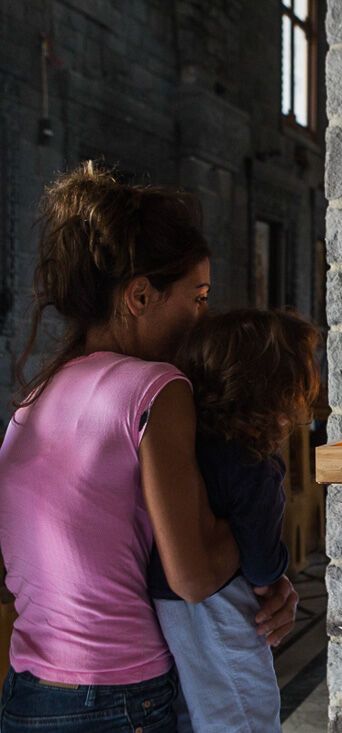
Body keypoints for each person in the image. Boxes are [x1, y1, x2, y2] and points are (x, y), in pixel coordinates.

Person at [0, 163, 297, 731]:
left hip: (28, 691)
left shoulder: (39, 395)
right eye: (198, 297)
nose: (203, 317)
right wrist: (253, 528)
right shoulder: (158, 389)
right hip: (118, 697)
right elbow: (191, 577)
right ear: (140, 295)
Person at [148, 309, 320, 731]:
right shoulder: (256, 467)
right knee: (246, 709)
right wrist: (275, 570)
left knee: (197, 707)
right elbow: (262, 567)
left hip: (164, 602)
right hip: (222, 607)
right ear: (274, 399)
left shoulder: (186, 448)